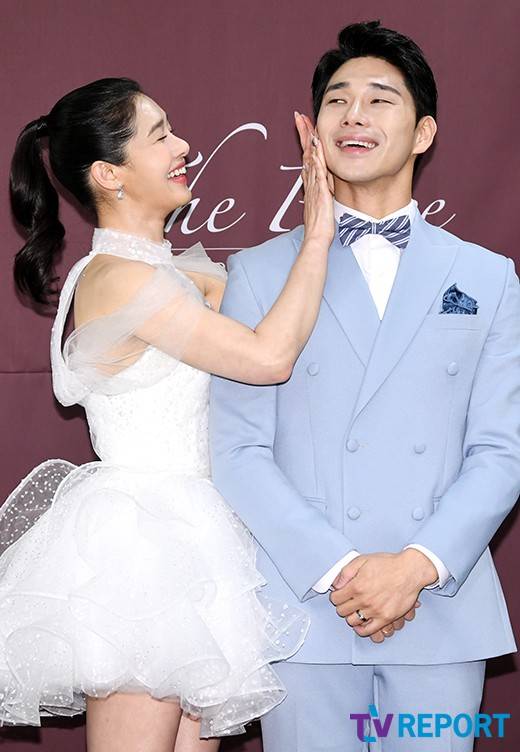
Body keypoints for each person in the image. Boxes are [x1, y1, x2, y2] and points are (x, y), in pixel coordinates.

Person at [209, 20, 520, 752]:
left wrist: (415, 566)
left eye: (380, 99)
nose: (355, 115)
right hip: (305, 609)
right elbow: (238, 449)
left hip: (439, 606)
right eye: (337, 100)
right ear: (313, 131)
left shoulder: (486, 276)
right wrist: (339, 569)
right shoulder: (258, 273)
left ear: (423, 133)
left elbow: (502, 449)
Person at [0, 76, 335, 752]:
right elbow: (268, 356)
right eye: (159, 136)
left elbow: (274, 322)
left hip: (200, 532)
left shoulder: (172, 272)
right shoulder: (122, 279)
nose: (184, 146)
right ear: (109, 174)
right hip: (143, 547)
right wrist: (319, 233)